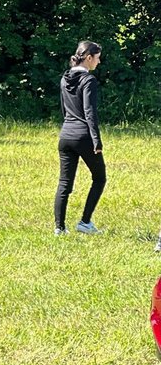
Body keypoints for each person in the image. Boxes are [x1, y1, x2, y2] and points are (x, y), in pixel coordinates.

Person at [54, 40, 106, 235]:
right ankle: (85, 222)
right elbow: (89, 111)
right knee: (100, 178)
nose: (98, 62)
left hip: (66, 134)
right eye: (98, 58)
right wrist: (96, 140)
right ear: (89, 57)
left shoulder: (64, 78)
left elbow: (63, 109)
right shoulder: (88, 80)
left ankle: (59, 228)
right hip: (83, 136)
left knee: (64, 183)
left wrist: (67, 127)